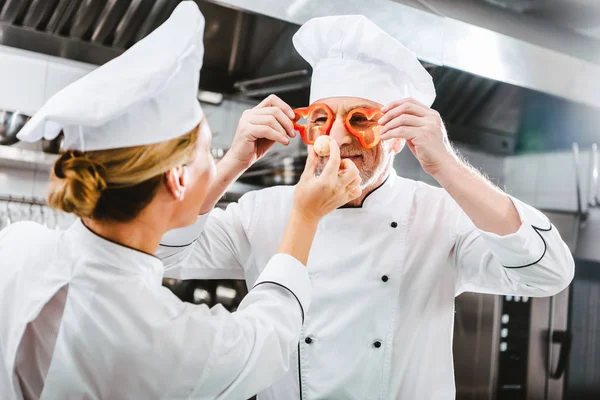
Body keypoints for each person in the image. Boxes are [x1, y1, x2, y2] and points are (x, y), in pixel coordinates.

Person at [157, 14, 576, 400]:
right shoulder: (261, 212)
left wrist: (444, 164)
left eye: (360, 120)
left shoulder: (438, 216)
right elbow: (158, 255)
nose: (337, 138)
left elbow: (549, 273)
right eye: (321, 118)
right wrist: (232, 163)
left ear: (396, 136)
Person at [0, 4, 362, 400]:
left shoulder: (18, 244)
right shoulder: (158, 337)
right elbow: (265, 340)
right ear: (177, 177)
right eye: (209, 152)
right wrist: (305, 215)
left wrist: (232, 162)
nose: (215, 162)